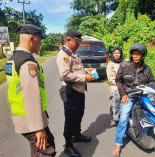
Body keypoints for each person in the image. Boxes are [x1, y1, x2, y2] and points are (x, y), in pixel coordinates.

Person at [5, 24, 56, 157]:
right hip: (30, 119)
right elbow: (31, 96)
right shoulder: (28, 63)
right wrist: (38, 128)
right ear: (32, 38)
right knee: (46, 151)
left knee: (38, 149)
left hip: (21, 114)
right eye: (40, 40)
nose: (41, 44)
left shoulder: (13, 59)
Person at [112, 43, 155, 156]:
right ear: (131, 55)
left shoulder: (147, 69)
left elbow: (151, 82)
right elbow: (118, 80)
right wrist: (123, 94)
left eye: (138, 54)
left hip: (144, 96)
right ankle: (118, 143)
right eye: (134, 54)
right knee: (123, 118)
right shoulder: (124, 66)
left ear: (143, 56)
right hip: (129, 96)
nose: (135, 56)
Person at [56, 29, 95, 157]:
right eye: (77, 42)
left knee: (79, 114)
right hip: (70, 91)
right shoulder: (64, 55)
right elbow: (65, 75)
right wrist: (84, 78)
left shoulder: (73, 54)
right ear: (68, 40)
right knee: (70, 119)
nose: (79, 45)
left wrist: (86, 71)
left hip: (79, 90)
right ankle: (68, 145)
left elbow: (77, 70)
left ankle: (77, 135)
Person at [106, 46, 124, 121]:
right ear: (112, 54)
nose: (116, 55)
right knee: (117, 96)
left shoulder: (125, 62)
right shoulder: (110, 64)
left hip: (126, 84)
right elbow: (110, 78)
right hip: (115, 85)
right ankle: (115, 114)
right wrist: (118, 84)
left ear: (121, 54)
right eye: (115, 53)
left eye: (118, 53)